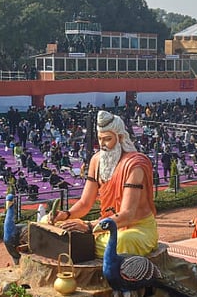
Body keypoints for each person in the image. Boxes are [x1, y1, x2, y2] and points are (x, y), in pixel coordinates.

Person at [54, 110, 157, 257]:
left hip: (135, 229)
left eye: (107, 139)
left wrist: (88, 227)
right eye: (100, 139)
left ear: (120, 137)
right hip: (103, 226)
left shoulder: (135, 165)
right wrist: (67, 214)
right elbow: (85, 203)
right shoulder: (96, 160)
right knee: (50, 222)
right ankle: (80, 243)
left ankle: (79, 245)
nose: (102, 144)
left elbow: (127, 215)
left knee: (122, 241)